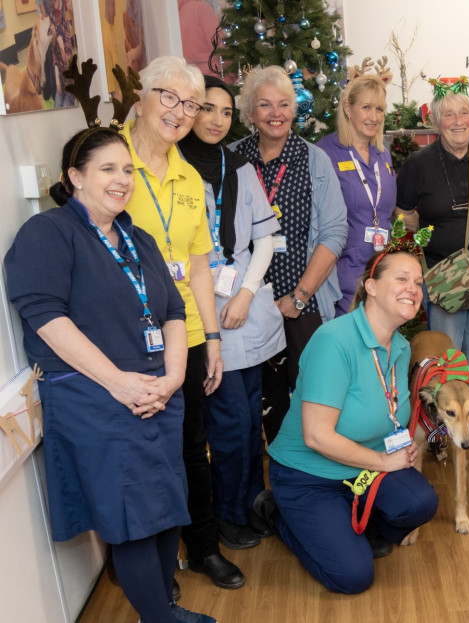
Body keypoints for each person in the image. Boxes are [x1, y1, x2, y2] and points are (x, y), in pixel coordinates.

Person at [5, 128, 216, 623]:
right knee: (133, 519)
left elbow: (169, 311)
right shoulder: (49, 233)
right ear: (74, 177)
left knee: (167, 508)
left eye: (127, 170)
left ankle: (162, 608)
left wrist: (171, 379)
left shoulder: (135, 236)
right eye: (107, 169)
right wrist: (119, 383)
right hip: (97, 400)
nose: (121, 180)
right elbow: (46, 318)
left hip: (157, 394)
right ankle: (160, 618)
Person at [122, 55, 247, 589]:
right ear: (143, 97)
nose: (179, 111)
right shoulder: (112, 163)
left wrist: (213, 338)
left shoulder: (191, 178)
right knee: (141, 451)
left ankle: (201, 548)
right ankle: (148, 562)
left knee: (192, 446)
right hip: (125, 336)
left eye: (189, 103)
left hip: (187, 335)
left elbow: (199, 264)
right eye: (168, 97)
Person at [256, 246, 438, 594]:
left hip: (362, 469)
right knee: (353, 577)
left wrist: (400, 448)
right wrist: (385, 461)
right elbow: (317, 437)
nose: (413, 289)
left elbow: (389, 411)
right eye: (401, 278)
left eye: (418, 282)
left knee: (421, 503)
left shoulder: (399, 345)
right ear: (371, 286)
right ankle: (278, 514)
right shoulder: (334, 341)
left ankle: (350, 521)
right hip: (308, 474)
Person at [177, 75, 285, 549]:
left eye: (225, 112)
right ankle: (227, 513)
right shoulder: (171, 167)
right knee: (226, 426)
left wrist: (244, 293)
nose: (217, 120)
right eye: (207, 109)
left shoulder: (240, 168)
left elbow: (266, 238)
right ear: (190, 111)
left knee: (248, 419)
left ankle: (253, 503)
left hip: (245, 304)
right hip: (199, 305)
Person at [232, 66, 348, 443]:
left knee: (309, 394)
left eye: (284, 104)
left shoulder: (315, 161)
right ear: (250, 112)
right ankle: (266, 477)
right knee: (258, 397)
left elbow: (334, 233)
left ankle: (307, 473)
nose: (275, 112)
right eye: (264, 104)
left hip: (303, 303)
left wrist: (300, 296)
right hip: (247, 303)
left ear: (294, 110)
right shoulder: (231, 161)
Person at [396, 81, 469, 447]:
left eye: (464, 112)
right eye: (449, 114)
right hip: (443, 278)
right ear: (436, 122)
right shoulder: (418, 164)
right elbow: (402, 215)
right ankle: (442, 423)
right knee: (446, 355)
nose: (458, 121)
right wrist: (431, 236)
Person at [316, 74, 396, 317]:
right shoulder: (324, 153)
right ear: (347, 108)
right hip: (343, 279)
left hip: (383, 275)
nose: (374, 117)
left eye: (379, 109)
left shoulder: (383, 155)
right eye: (366, 107)